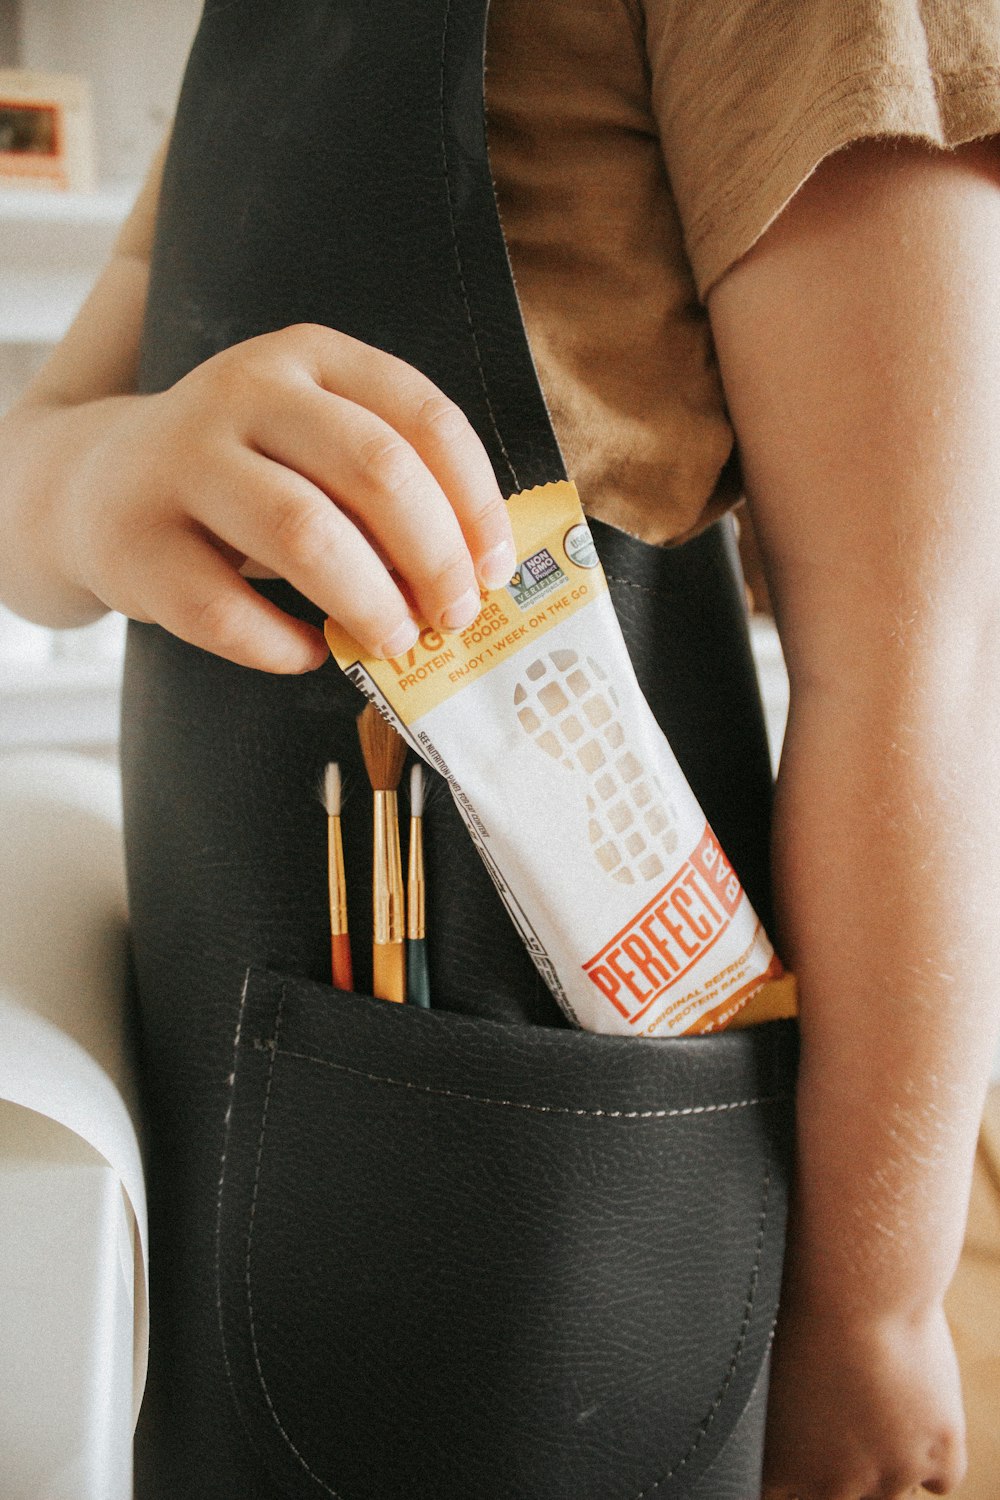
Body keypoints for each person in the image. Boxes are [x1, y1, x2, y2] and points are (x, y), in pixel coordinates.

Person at [2, 2, 1000, 1495]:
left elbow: (917, 669)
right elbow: (37, 476)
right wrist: (95, 478)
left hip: (549, 1229)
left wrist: (871, 1316)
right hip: (222, 1135)